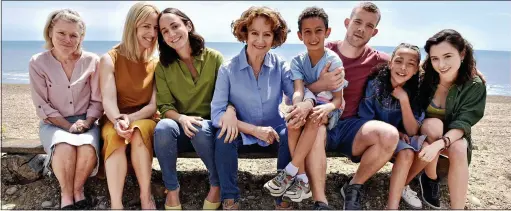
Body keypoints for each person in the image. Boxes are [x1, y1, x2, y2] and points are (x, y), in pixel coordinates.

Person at [210, 6, 316, 210]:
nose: (260, 40)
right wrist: (253, 130)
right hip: (243, 132)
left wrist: (306, 104)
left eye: (266, 34)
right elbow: (216, 113)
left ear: (274, 38)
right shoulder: (228, 69)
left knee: (289, 132)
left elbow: (300, 91)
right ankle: (230, 198)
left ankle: (282, 199)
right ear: (245, 34)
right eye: (254, 33)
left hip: (274, 132)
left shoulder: (281, 66)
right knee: (223, 136)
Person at [263, 6, 348, 203]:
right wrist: (297, 106)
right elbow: (299, 90)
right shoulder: (297, 61)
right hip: (307, 103)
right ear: (300, 36)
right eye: (307, 32)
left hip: (329, 109)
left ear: (327, 32)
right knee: (293, 122)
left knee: (313, 117)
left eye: (318, 31)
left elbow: (337, 99)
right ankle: (302, 180)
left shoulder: (333, 60)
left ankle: (291, 171)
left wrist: (326, 107)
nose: (313, 37)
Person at [153, 7, 230, 210]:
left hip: (211, 128)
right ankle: (172, 189)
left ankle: (216, 185)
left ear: (187, 25)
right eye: (164, 31)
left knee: (198, 126)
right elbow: (165, 106)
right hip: (180, 128)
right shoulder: (162, 67)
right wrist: (182, 118)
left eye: (175, 26)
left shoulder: (214, 58)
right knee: (162, 128)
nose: (171, 34)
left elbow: (227, 97)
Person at [29, 9, 103, 209]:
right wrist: (67, 127)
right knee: (64, 147)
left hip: (86, 121)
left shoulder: (92, 61)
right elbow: (42, 105)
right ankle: (66, 195)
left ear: (81, 37)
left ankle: (78, 190)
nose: (67, 39)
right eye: (61, 33)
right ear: (50, 32)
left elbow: (97, 101)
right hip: (53, 123)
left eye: (73, 35)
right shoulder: (37, 62)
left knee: (87, 149)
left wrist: (87, 122)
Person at [414, 29, 486, 209]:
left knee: (460, 147)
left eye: (448, 56)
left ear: (462, 54)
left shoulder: (474, 85)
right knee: (435, 125)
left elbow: (464, 122)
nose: (441, 64)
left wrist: (440, 144)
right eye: (435, 58)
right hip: (425, 133)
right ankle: (430, 178)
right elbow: (397, 65)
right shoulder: (423, 79)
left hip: (453, 135)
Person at [98, 2, 160, 209]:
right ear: (133, 26)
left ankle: (145, 196)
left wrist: (130, 120)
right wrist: (117, 121)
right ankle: (117, 204)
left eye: (155, 27)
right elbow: (108, 99)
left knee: (137, 131)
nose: (152, 33)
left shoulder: (156, 62)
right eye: (146, 26)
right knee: (115, 136)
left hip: (145, 118)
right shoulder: (109, 59)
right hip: (115, 117)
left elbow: (153, 105)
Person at [357, 43, 428, 209]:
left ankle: (393, 205)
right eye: (398, 61)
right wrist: (395, 131)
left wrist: (404, 100)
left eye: (410, 64)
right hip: (375, 139)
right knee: (405, 150)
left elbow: (412, 131)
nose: (403, 68)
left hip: (401, 141)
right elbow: (365, 119)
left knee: (416, 151)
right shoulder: (375, 85)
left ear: (417, 69)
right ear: (390, 63)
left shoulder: (417, 91)